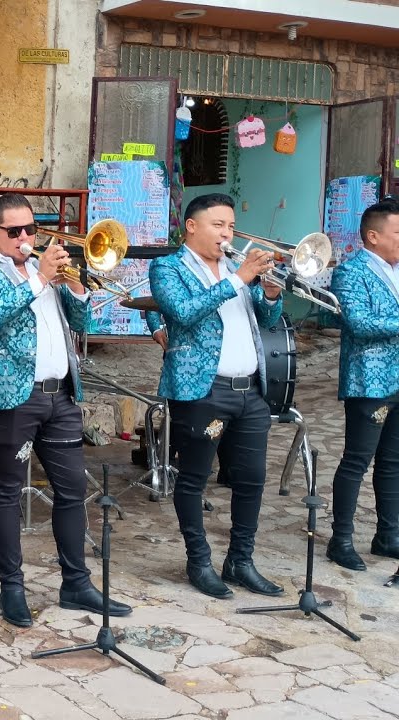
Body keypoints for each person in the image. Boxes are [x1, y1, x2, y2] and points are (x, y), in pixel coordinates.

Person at [0, 193, 131, 628]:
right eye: (14, 231)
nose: (25, 238)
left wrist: (75, 287)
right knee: (9, 492)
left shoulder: (43, 268)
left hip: (61, 395)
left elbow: (82, 327)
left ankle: (76, 582)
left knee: (71, 490)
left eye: (30, 229)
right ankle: (11, 587)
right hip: (12, 396)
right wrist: (38, 280)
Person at [148, 192, 284, 599]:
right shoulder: (167, 267)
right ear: (192, 226)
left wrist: (271, 294)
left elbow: (268, 319)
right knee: (194, 479)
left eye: (230, 226)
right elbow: (184, 313)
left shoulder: (232, 268)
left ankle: (241, 561)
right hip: (203, 389)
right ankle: (199, 561)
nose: (227, 234)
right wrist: (239, 278)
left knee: (252, 480)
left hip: (250, 390)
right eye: (218, 225)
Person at [326, 198, 399, 570]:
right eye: (398, 233)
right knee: (357, 460)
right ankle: (340, 540)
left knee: (393, 462)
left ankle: (388, 535)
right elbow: (359, 323)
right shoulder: (351, 272)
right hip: (369, 380)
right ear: (373, 236)